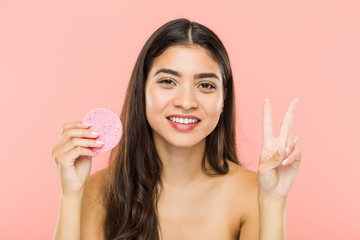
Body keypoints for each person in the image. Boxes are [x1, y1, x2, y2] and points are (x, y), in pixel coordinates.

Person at [51, 18, 302, 240]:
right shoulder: (100, 191)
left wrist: (273, 201)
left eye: (205, 85)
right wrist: (71, 196)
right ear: (142, 91)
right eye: (168, 81)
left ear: (223, 99)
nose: (186, 102)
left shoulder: (251, 192)